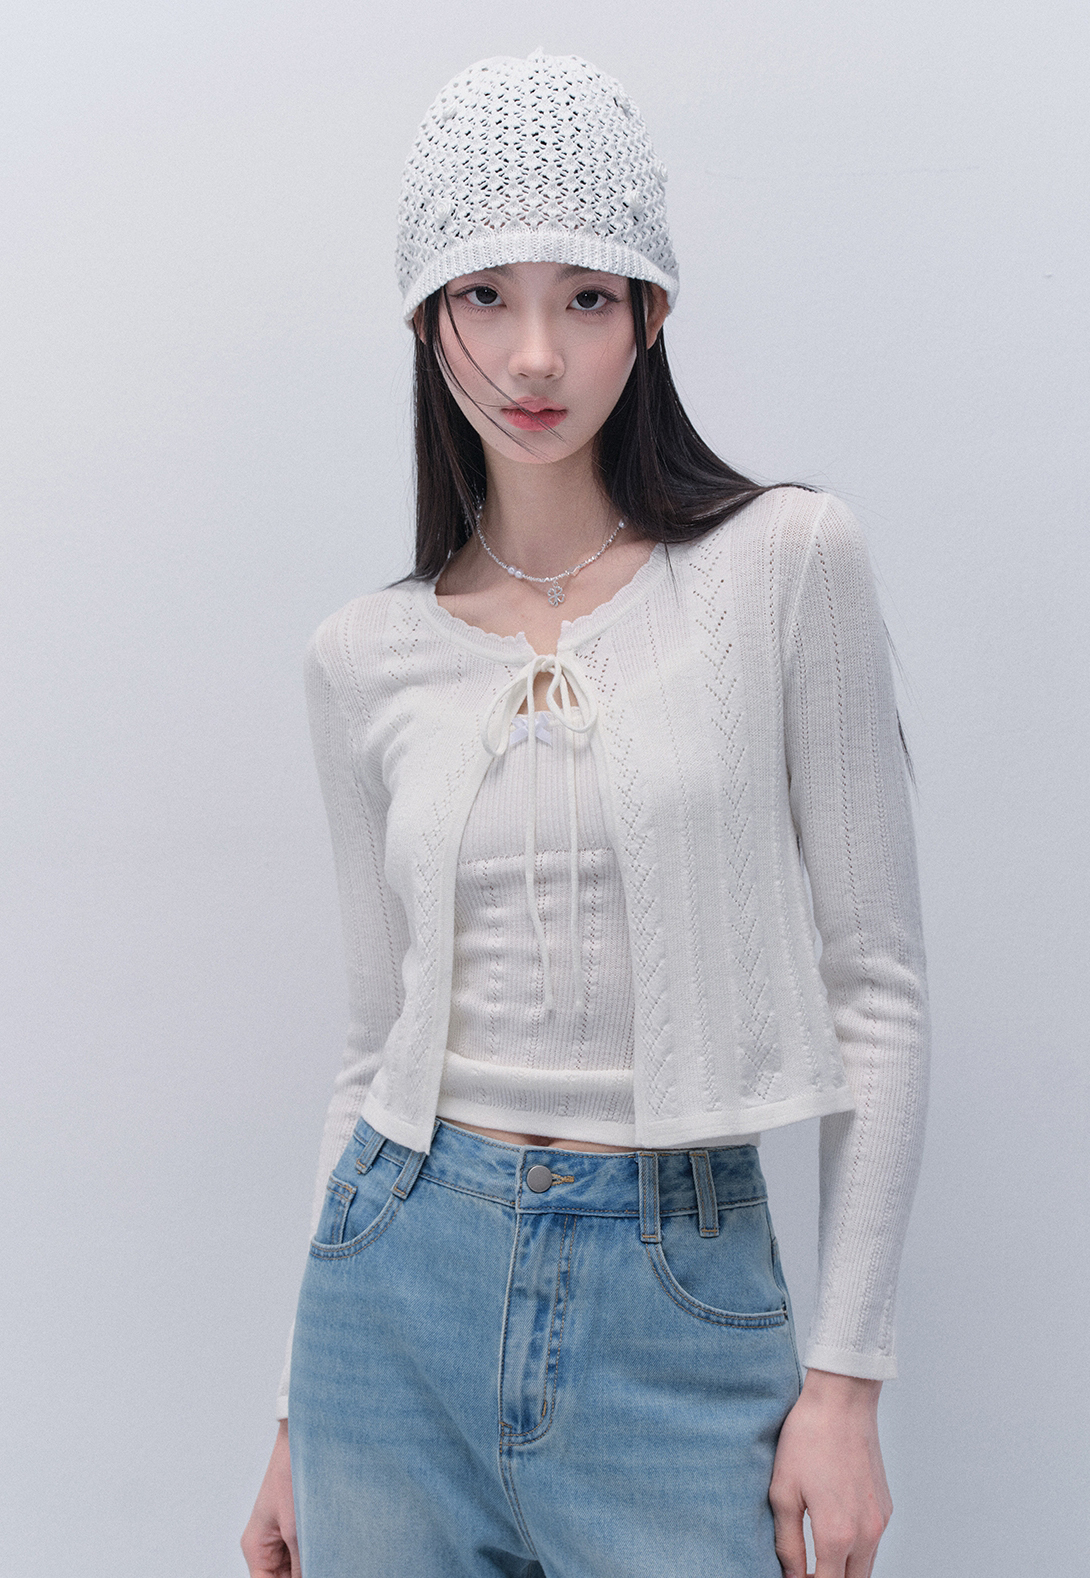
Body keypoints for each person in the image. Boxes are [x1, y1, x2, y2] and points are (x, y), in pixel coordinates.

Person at [242, 51, 928, 1578]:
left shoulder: (785, 563)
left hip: (676, 1292)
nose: (534, 352)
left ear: (651, 313)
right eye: (483, 295)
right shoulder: (360, 655)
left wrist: (844, 1384)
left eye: (588, 296)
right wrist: (294, 1411)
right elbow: (370, 1041)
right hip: (387, 1300)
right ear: (424, 316)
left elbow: (874, 984)